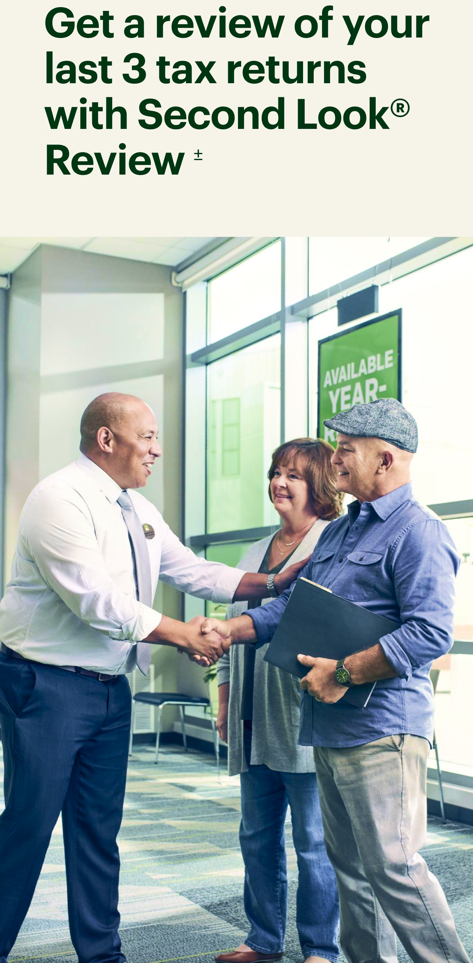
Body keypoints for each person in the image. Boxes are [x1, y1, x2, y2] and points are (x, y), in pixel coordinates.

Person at [0, 392, 305, 963]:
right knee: (27, 827)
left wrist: (274, 582)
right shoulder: (58, 499)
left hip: (110, 689)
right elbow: (96, 601)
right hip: (44, 687)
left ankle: (102, 954)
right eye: (148, 437)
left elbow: (189, 568)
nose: (157, 450)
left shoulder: (135, 508)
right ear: (106, 439)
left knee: (97, 833)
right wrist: (183, 634)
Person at [205, 400, 471, 963]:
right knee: (350, 871)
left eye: (347, 447)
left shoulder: (419, 532)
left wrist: (345, 672)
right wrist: (233, 627)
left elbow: (429, 634)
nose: (337, 457)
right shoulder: (341, 530)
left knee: (394, 869)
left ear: (387, 459)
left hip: (383, 731)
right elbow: (296, 606)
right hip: (327, 726)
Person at [215, 439, 342, 963]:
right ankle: (263, 939)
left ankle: (320, 949)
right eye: (275, 473)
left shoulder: (330, 541)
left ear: (318, 483)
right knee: (256, 835)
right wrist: (224, 701)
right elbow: (229, 625)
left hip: (302, 715)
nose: (279, 483)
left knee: (314, 843)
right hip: (251, 714)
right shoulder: (255, 551)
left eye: (293, 474)